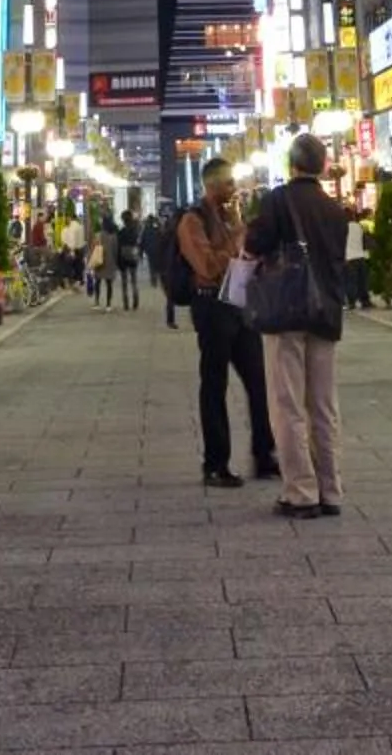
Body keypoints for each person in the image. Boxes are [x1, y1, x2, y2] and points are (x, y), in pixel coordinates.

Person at [247, 134, 352, 518]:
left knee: (288, 403)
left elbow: (256, 243)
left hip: (287, 310)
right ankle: (332, 490)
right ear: (324, 165)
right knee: (324, 405)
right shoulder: (334, 208)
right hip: (326, 313)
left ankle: (301, 491)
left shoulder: (277, 200)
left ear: (291, 165)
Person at [177, 158, 279, 487]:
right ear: (211, 185)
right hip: (211, 307)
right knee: (214, 384)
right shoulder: (193, 221)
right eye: (228, 184)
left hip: (238, 303)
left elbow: (245, 255)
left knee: (259, 381)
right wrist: (237, 238)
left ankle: (265, 455)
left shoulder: (230, 216)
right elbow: (207, 265)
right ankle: (215, 463)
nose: (233, 190)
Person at [148, 209, 183, 328]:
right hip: (176, 266)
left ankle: (170, 319)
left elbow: (159, 250)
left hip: (167, 267)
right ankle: (173, 319)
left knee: (170, 295)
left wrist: (157, 267)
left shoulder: (167, 232)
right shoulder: (181, 233)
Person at [114, 206, 145, 311]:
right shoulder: (135, 231)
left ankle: (126, 303)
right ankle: (135, 301)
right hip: (132, 256)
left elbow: (118, 246)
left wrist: (117, 260)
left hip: (123, 257)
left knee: (124, 282)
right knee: (134, 280)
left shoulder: (121, 231)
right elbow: (138, 243)